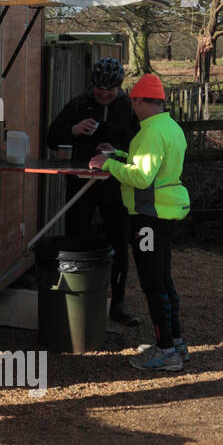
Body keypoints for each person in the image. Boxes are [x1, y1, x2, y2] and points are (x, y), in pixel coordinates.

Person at [88, 74, 191, 372]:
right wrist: (118, 154)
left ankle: (166, 350)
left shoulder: (149, 132)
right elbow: (151, 166)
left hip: (149, 217)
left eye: (134, 102)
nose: (132, 108)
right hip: (165, 213)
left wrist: (107, 164)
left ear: (141, 101)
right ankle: (176, 342)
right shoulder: (170, 127)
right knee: (164, 280)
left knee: (152, 284)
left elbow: (142, 176)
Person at [45, 56, 141, 326]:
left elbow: (138, 139)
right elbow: (52, 137)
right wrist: (74, 131)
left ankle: (118, 303)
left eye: (110, 89)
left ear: (119, 87)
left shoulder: (128, 106)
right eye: (99, 88)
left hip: (116, 182)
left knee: (119, 241)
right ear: (92, 85)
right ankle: (77, 300)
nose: (104, 94)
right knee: (76, 238)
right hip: (81, 182)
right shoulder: (80, 103)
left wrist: (115, 141)